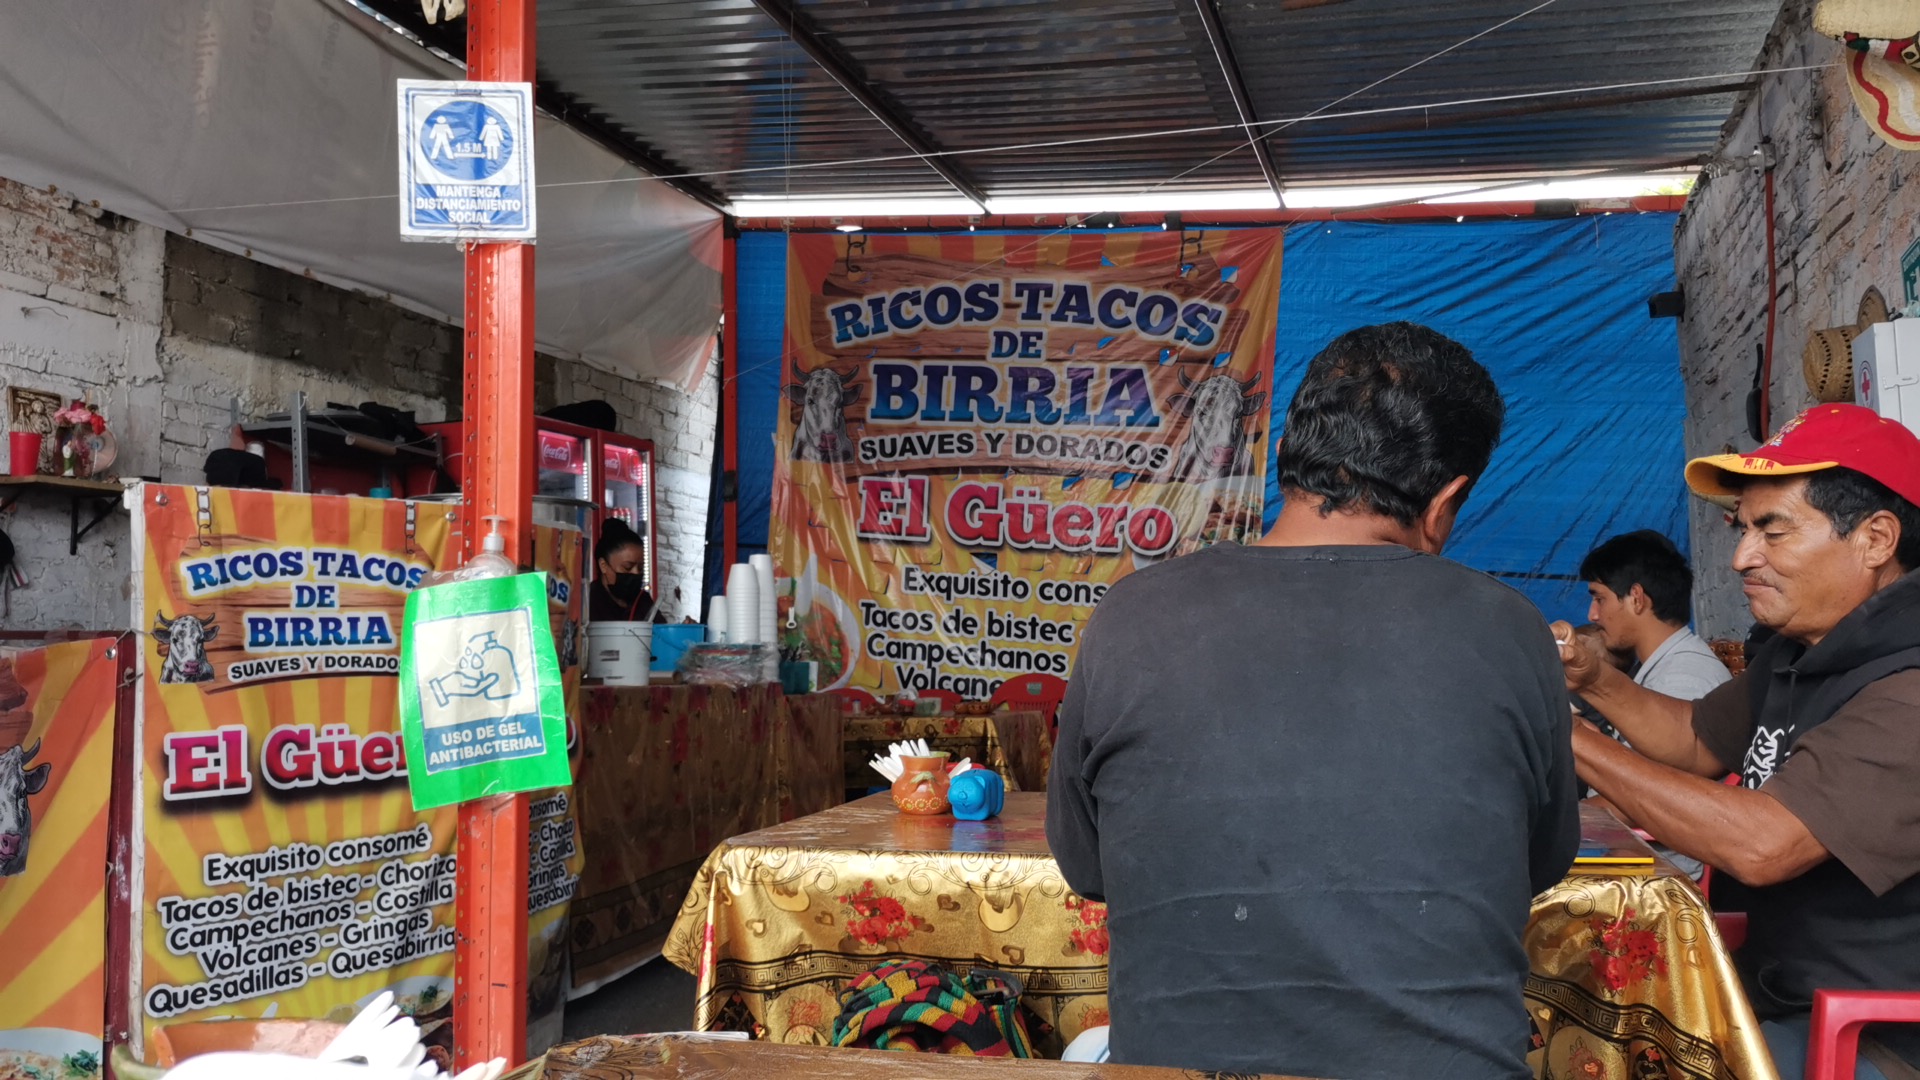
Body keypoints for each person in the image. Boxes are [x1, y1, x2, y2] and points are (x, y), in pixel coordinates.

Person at [1047, 322, 1579, 1080]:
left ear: (1294, 459)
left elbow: (1088, 867)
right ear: (1446, 499)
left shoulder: (1133, 615)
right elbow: (1540, 860)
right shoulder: (1512, 628)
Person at [1553, 404, 1920, 1079]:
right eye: (1743, 529)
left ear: (1875, 539)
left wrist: (1558, 729)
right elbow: (1693, 738)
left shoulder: (1909, 684)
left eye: (1771, 531)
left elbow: (1763, 843)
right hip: (1776, 991)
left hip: (1875, 1030)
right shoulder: (1800, 650)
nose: (1742, 557)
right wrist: (1590, 679)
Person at [1575, 530, 1732, 879]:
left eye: (1599, 598)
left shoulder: (1687, 675)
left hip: (1659, 882)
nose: (1593, 614)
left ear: (1636, 598)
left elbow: (1646, 798)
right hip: (1633, 862)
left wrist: (1557, 823)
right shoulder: (1660, 668)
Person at [588, 520, 652, 623]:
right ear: (603, 565)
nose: (636, 573)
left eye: (640, 568)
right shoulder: (588, 601)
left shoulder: (643, 600)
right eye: (627, 567)